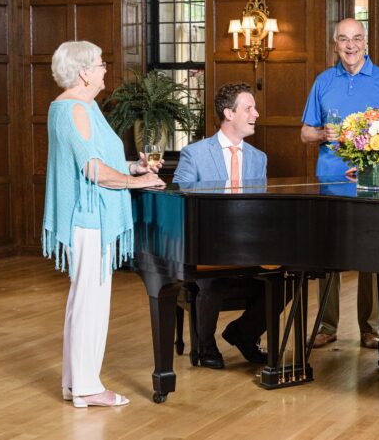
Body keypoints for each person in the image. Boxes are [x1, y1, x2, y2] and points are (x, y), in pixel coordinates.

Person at [43, 40, 165, 408]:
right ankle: (87, 388)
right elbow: (92, 170)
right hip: (89, 218)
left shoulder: (85, 106)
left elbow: (102, 159)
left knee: (84, 301)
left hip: (93, 216)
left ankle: (75, 383)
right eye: (99, 63)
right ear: (83, 72)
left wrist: (134, 167)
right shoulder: (74, 109)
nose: (105, 69)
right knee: (90, 304)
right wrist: (139, 182)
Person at [300, 17, 379, 349]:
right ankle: (326, 324)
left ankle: (371, 327)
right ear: (335, 44)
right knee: (328, 253)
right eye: (344, 39)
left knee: (372, 255)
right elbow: (305, 133)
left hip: (373, 183)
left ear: (366, 42)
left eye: (357, 38)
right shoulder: (323, 82)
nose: (350, 45)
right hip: (330, 182)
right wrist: (320, 133)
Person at [173, 82, 269, 369]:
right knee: (212, 282)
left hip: (248, 245)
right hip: (208, 244)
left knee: (287, 280)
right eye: (249, 108)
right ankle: (205, 346)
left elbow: (262, 207)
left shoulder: (258, 158)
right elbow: (180, 197)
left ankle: (244, 334)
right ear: (229, 113)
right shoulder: (195, 153)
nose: (257, 113)